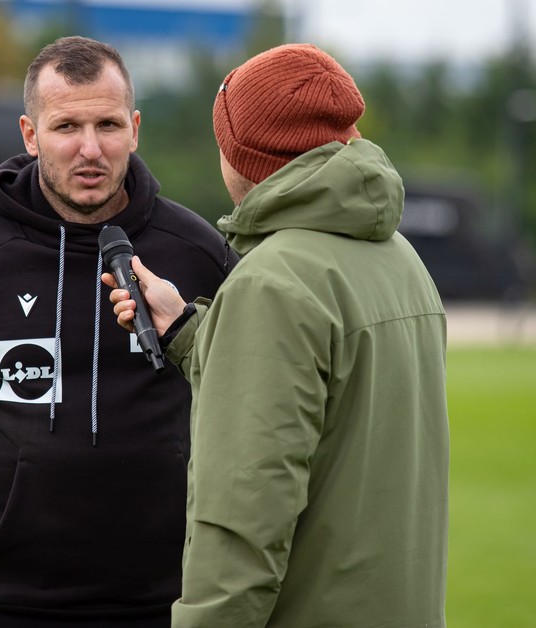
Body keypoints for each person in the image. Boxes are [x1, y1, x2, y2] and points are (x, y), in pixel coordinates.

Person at [0, 36, 234, 627]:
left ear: (134, 128)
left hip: (165, 597)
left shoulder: (199, 253)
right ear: (31, 136)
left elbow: (244, 402)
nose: (90, 149)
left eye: (108, 124)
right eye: (66, 127)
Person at [106, 43, 449, 627]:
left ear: (243, 155)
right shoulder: (400, 258)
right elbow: (339, 412)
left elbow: (242, 523)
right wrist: (191, 332)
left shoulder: (271, 284)